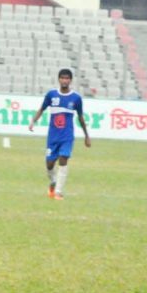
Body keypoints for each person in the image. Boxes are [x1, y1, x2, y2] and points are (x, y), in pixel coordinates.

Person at [29, 68, 91, 200]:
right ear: (59, 79)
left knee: (63, 158)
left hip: (67, 136)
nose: (64, 80)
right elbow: (42, 109)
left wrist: (86, 135)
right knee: (49, 164)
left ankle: (58, 192)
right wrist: (33, 121)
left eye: (67, 78)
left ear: (70, 80)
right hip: (53, 136)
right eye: (62, 78)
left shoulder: (76, 98)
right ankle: (53, 182)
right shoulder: (51, 95)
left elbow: (80, 117)